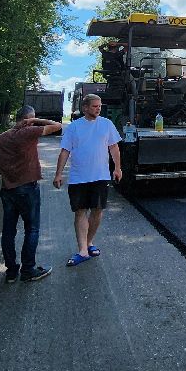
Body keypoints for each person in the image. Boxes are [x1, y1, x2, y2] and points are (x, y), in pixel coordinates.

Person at [0, 106, 63, 283]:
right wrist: (35, 121)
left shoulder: (1, 137)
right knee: (32, 229)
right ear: (27, 119)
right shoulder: (29, 132)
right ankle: (28, 269)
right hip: (27, 189)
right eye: (32, 118)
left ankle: (11, 272)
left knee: (9, 231)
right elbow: (58, 126)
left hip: (7, 190)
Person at [53, 94, 122, 268]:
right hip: (79, 177)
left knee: (97, 211)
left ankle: (89, 242)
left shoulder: (106, 124)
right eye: (94, 106)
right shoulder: (74, 127)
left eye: (99, 106)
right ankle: (82, 250)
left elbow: (114, 147)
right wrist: (58, 174)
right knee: (80, 212)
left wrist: (118, 168)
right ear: (85, 108)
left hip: (101, 176)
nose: (98, 109)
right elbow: (64, 152)